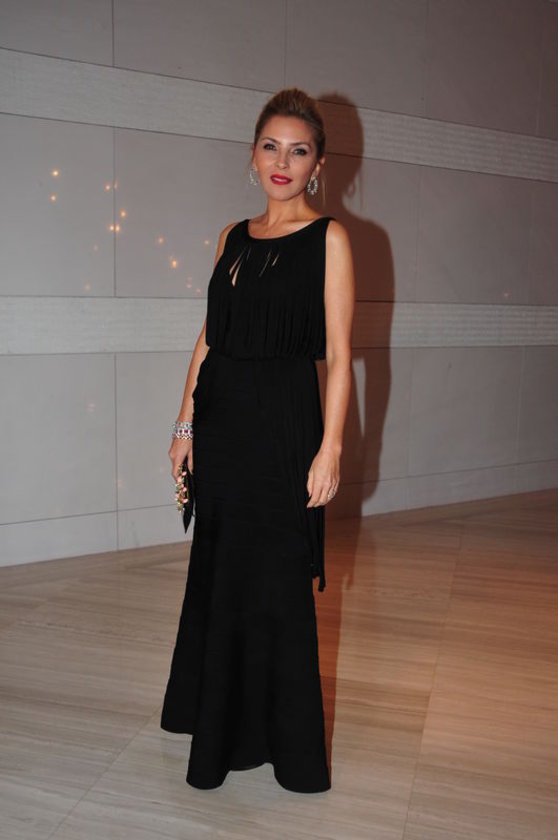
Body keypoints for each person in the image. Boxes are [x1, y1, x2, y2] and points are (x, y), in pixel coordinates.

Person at [160, 87, 355, 794]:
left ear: (317, 165)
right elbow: (209, 337)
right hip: (222, 426)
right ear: (252, 155)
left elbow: (341, 355)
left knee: (274, 577)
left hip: (282, 428)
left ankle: (284, 743)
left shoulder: (330, 239)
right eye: (271, 146)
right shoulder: (232, 237)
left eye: (298, 151)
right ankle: (213, 719)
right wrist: (184, 424)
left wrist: (331, 448)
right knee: (220, 569)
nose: (282, 161)